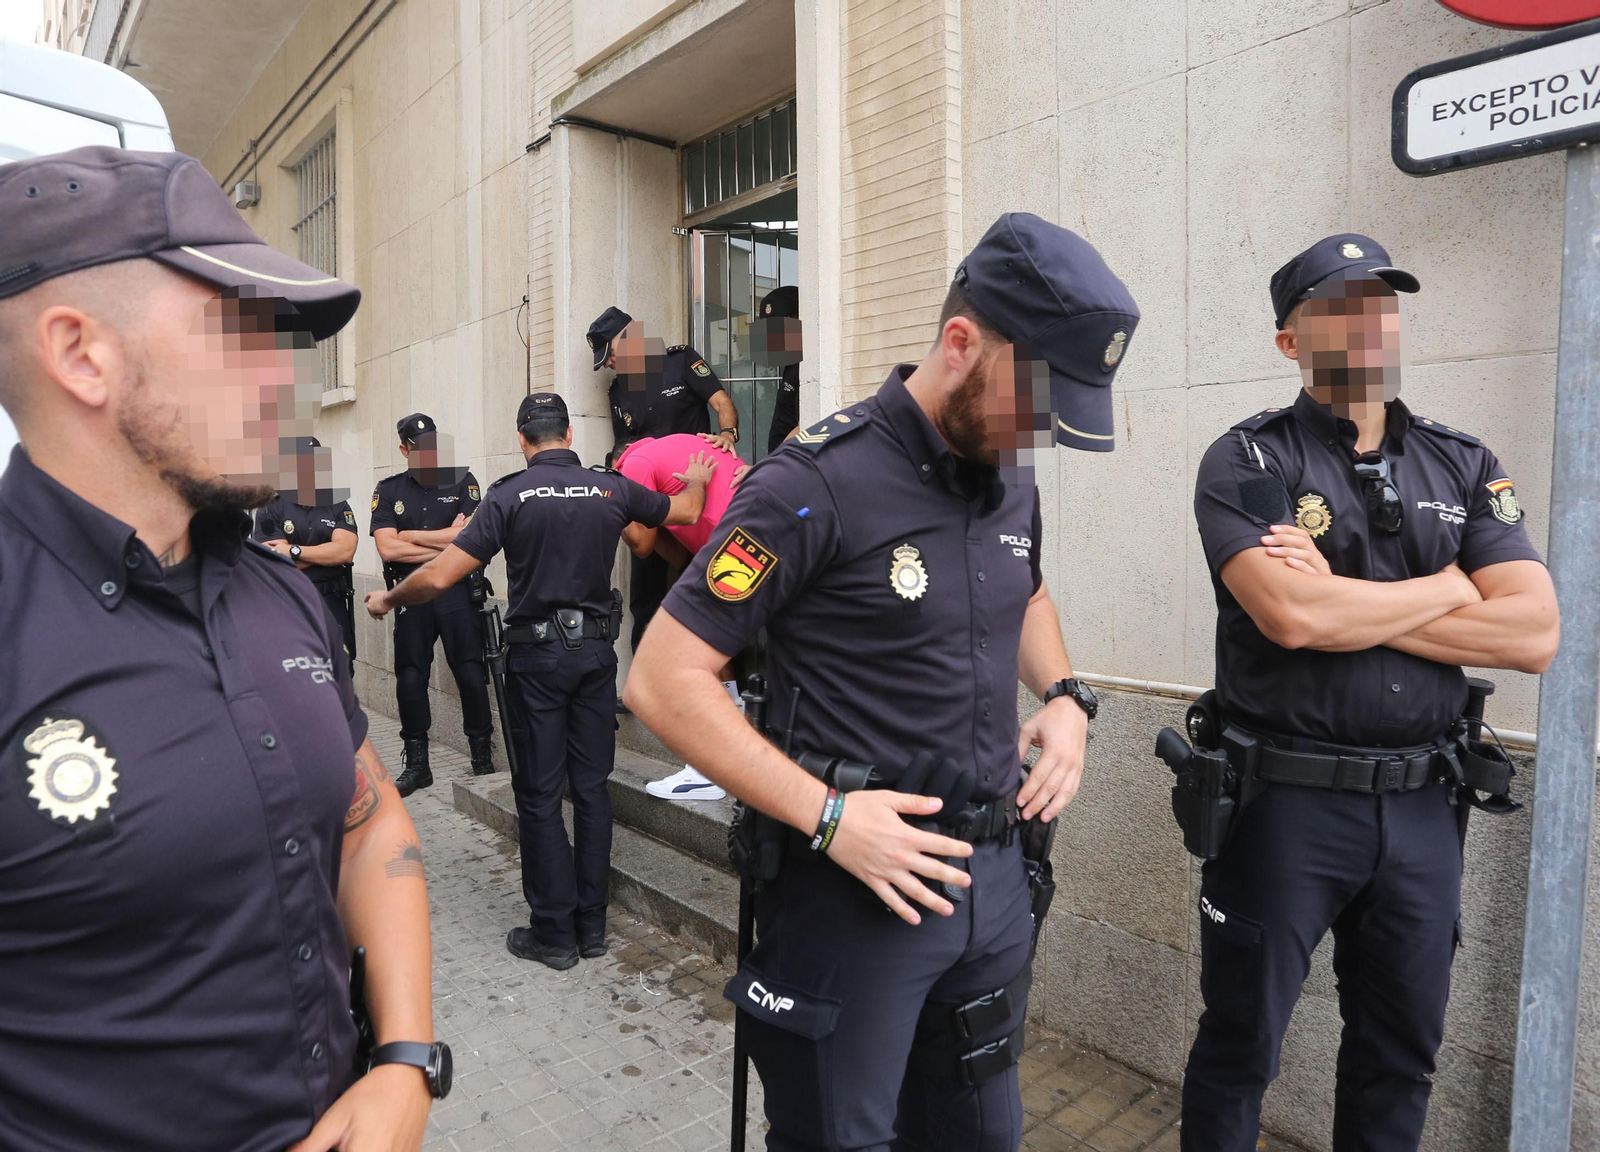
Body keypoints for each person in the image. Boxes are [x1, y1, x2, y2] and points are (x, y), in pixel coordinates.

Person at [625, 212, 1141, 1152]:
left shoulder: (1008, 472)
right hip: (853, 896)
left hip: (994, 883)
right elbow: (663, 678)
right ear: (961, 343)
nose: (1040, 436)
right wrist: (826, 816)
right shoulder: (809, 485)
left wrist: (1066, 697)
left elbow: (1024, 589)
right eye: (1036, 404)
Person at [0, 146, 446, 1152]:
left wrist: (404, 1061)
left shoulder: (275, 590)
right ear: (80, 354)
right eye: (244, 332)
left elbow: (368, 821)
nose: (287, 376)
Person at [1179, 233, 1559, 1152]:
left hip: (1425, 807)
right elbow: (1292, 618)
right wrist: (1452, 587)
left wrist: (1346, 601)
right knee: (1241, 1049)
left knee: (1400, 1055)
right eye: (1341, 309)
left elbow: (1534, 634)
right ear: (1290, 341)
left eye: (1381, 306)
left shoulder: (1464, 462)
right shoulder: (1249, 461)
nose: (1370, 325)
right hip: (1285, 805)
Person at [365, 392, 715, 970]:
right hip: (596, 658)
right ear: (569, 434)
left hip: (538, 663)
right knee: (593, 789)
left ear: (522, 440)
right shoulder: (611, 488)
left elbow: (440, 576)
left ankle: (555, 934)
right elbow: (685, 512)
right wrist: (698, 477)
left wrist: (389, 598)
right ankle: (592, 928)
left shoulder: (509, 495)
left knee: (540, 793)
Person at [588, 306, 741, 651]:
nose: (608, 363)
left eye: (609, 353)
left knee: (716, 594)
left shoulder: (680, 360)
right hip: (651, 502)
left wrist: (728, 434)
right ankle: (647, 678)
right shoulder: (618, 390)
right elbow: (623, 450)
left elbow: (722, 403)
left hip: (700, 495)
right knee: (646, 600)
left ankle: (723, 675)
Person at [612, 432, 748, 801]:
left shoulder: (633, 465)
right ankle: (731, 742)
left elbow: (641, 544)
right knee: (707, 639)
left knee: (686, 645)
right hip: (748, 540)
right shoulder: (670, 452)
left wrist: (616, 504)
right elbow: (674, 555)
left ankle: (709, 772)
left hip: (736, 546)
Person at [371, 414, 494, 792]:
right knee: (410, 677)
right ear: (404, 450)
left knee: (471, 674)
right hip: (412, 593)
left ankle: (482, 759)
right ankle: (418, 765)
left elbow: (474, 538)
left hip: (457, 592)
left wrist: (410, 536)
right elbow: (387, 548)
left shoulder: (463, 481)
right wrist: (448, 542)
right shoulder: (388, 489)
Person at [255, 435, 359, 673]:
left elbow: (345, 551)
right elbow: (276, 563)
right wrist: (325, 555)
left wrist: (295, 550)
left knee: (341, 670)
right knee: (295, 673)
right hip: (289, 601)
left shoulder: (337, 503)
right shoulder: (270, 506)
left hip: (331, 599)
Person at [755, 284, 803, 452]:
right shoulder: (792, 363)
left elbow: (808, 423)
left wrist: (776, 459)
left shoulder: (808, 367)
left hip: (793, 462)